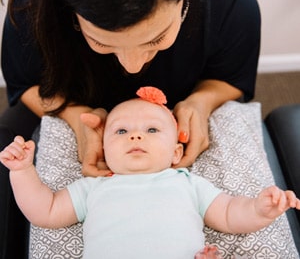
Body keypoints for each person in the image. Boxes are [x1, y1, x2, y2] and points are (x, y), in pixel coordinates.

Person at [0, 0, 261, 257]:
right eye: (100, 42)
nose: (133, 66)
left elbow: (230, 77)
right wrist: (72, 114)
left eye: (157, 39)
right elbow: (27, 84)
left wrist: (202, 101)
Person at [1, 87, 299, 259]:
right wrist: (23, 170)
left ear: (176, 153)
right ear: (103, 150)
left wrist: (261, 208)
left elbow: (232, 215)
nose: (135, 136)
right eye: (121, 130)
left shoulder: (187, 183)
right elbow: (45, 211)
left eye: (152, 129)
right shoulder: (94, 187)